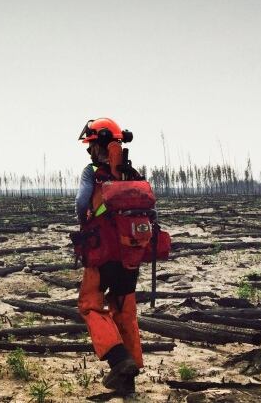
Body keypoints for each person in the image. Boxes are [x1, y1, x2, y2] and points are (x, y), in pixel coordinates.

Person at [74, 118, 143, 396]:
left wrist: (85, 223)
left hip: (103, 253)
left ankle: (118, 359)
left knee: (90, 305)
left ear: (100, 143)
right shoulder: (133, 173)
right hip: (131, 255)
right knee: (125, 312)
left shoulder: (91, 172)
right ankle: (129, 378)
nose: (88, 150)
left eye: (90, 144)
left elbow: (81, 203)